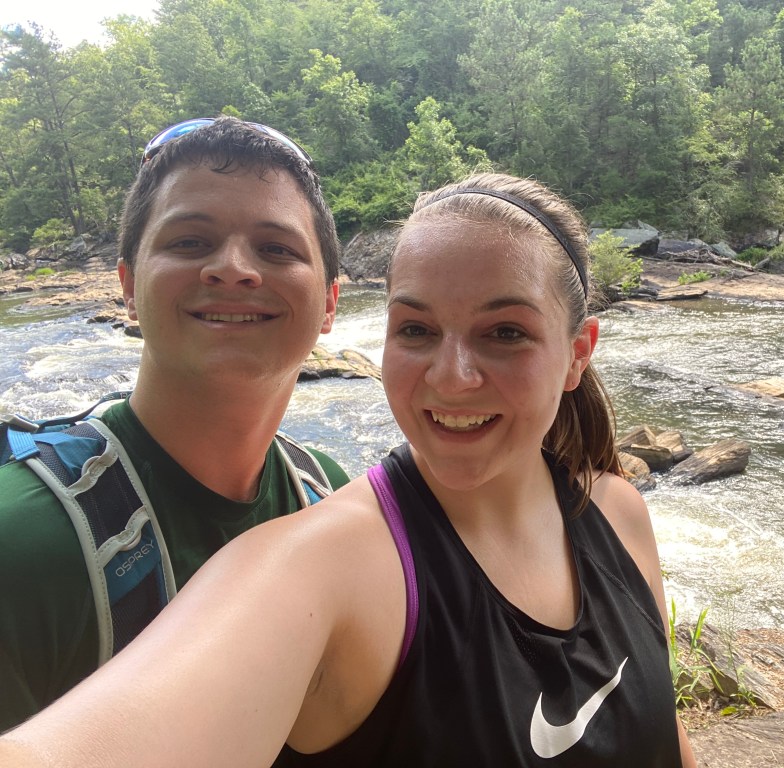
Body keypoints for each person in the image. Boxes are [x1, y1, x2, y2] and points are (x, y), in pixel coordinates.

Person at [0, 172, 698, 768]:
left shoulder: (617, 513)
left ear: (577, 353)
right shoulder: (319, 568)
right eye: (416, 329)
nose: (451, 377)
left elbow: (664, 739)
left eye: (505, 333)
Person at [0, 117, 349, 734]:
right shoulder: (23, 543)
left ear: (328, 302)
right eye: (190, 242)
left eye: (277, 249)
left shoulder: (330, 498)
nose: (233, 269)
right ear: (129, 287)